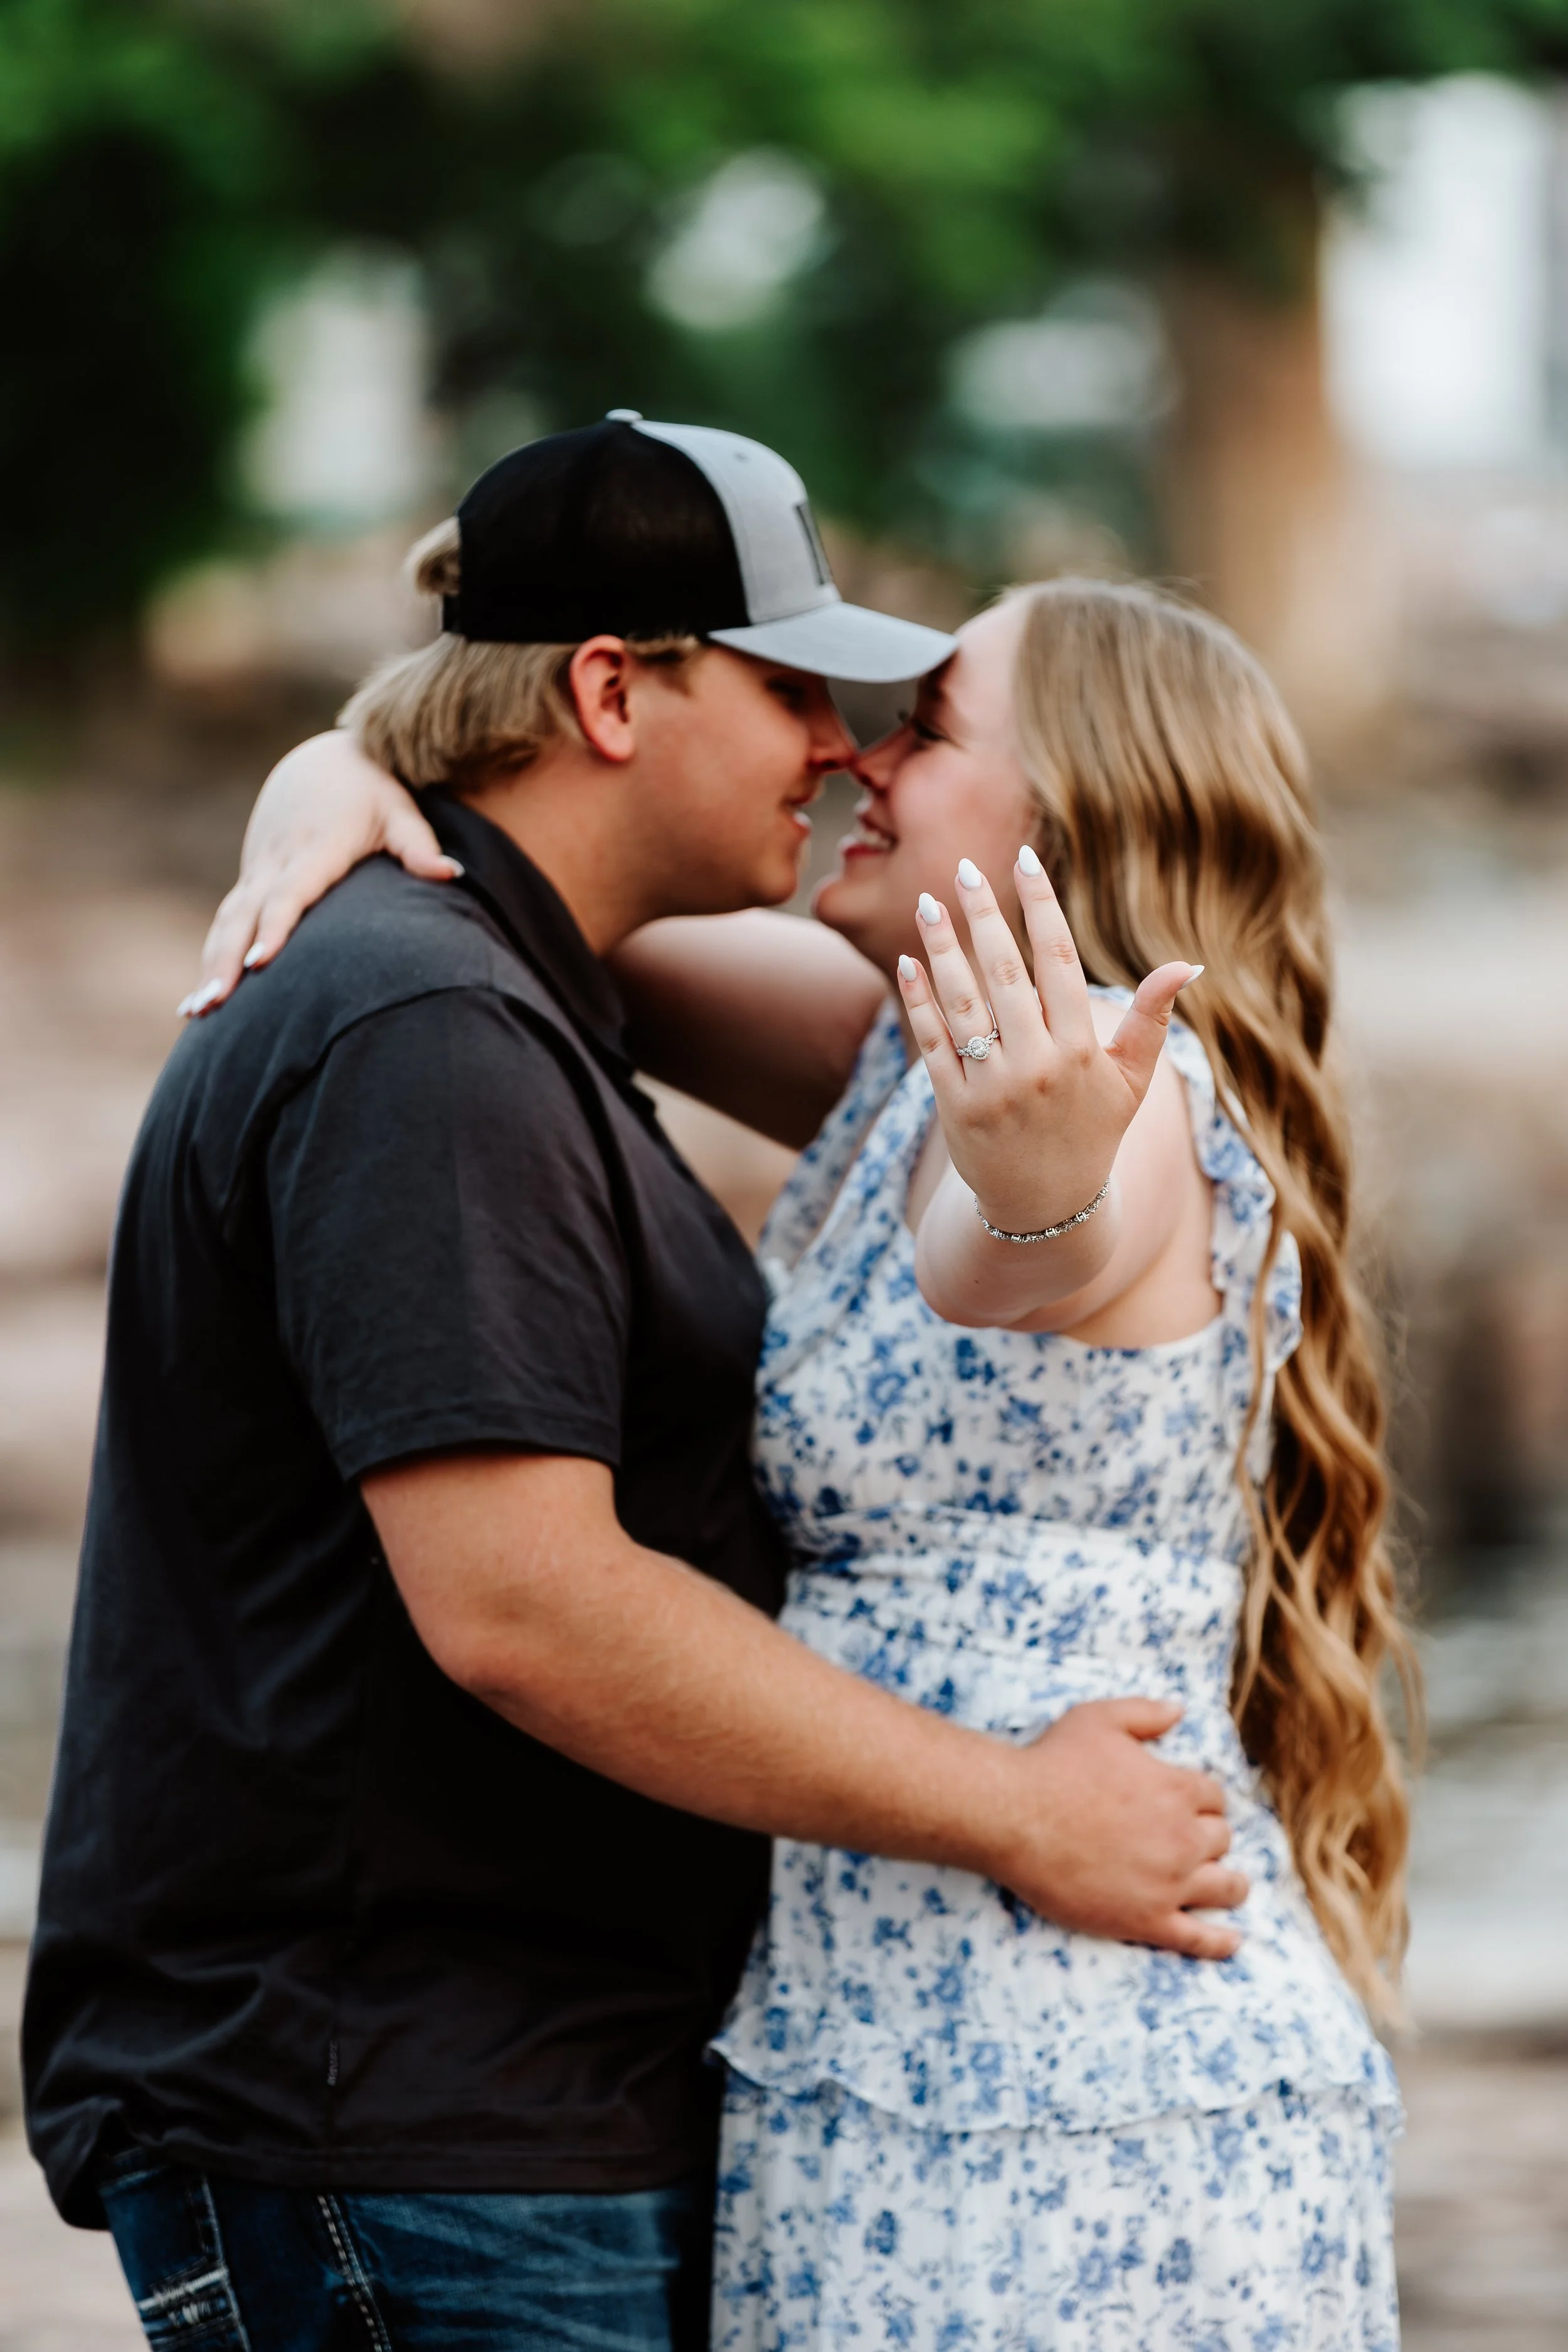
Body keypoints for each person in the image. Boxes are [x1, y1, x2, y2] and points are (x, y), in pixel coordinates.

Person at [24, 419, 1246, 2352]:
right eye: (789, 689)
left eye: (887, 717)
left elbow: (1046, 1196)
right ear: (612, 688)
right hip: (407, 2125)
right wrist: (1016, 1809)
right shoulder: (429, 1021)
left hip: (485, 2112)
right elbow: (523, 1603)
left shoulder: (513, 985)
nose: (838, 746)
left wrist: (336, 762)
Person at [206, 573, 1417, 2348]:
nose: (857, 752)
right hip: (882, 2042)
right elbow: (553, 902)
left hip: (1078, 2091)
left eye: (925, 731)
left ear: (1062, 811)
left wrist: (1038, 1187)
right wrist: (328, 771)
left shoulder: (1116, 1092)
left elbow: (1042, 1248)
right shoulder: (893, 1064)